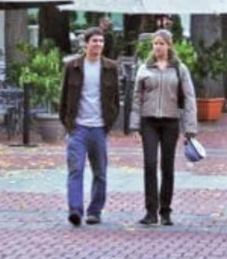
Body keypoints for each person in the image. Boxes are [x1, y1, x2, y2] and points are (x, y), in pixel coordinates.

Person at [129, 29, 198, 226]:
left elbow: (189, 97)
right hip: (149, 120)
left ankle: (165, 210)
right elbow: (136, 97)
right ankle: (151, 211)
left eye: (161, 43)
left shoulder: (179, 69)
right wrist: (134, 125)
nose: (158, 47)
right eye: (155, 43)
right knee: (150, 164)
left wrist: (190, 128)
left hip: (170, 121)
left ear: (169, 45)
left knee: (167, 166)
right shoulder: (145, 68)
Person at [59, 29, 121, 227]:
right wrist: (68, 124)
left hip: (99, 127)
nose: (98, 45)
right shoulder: (73, 66)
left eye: (101, 41)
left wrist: (108, 123)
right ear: (86, 43)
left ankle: (95, 210)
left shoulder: (111, 67)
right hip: (78, 127)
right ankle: (75, 210)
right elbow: (64, 97)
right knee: (75, 169)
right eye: (94, 41)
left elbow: (115, 100)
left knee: (100, 172)